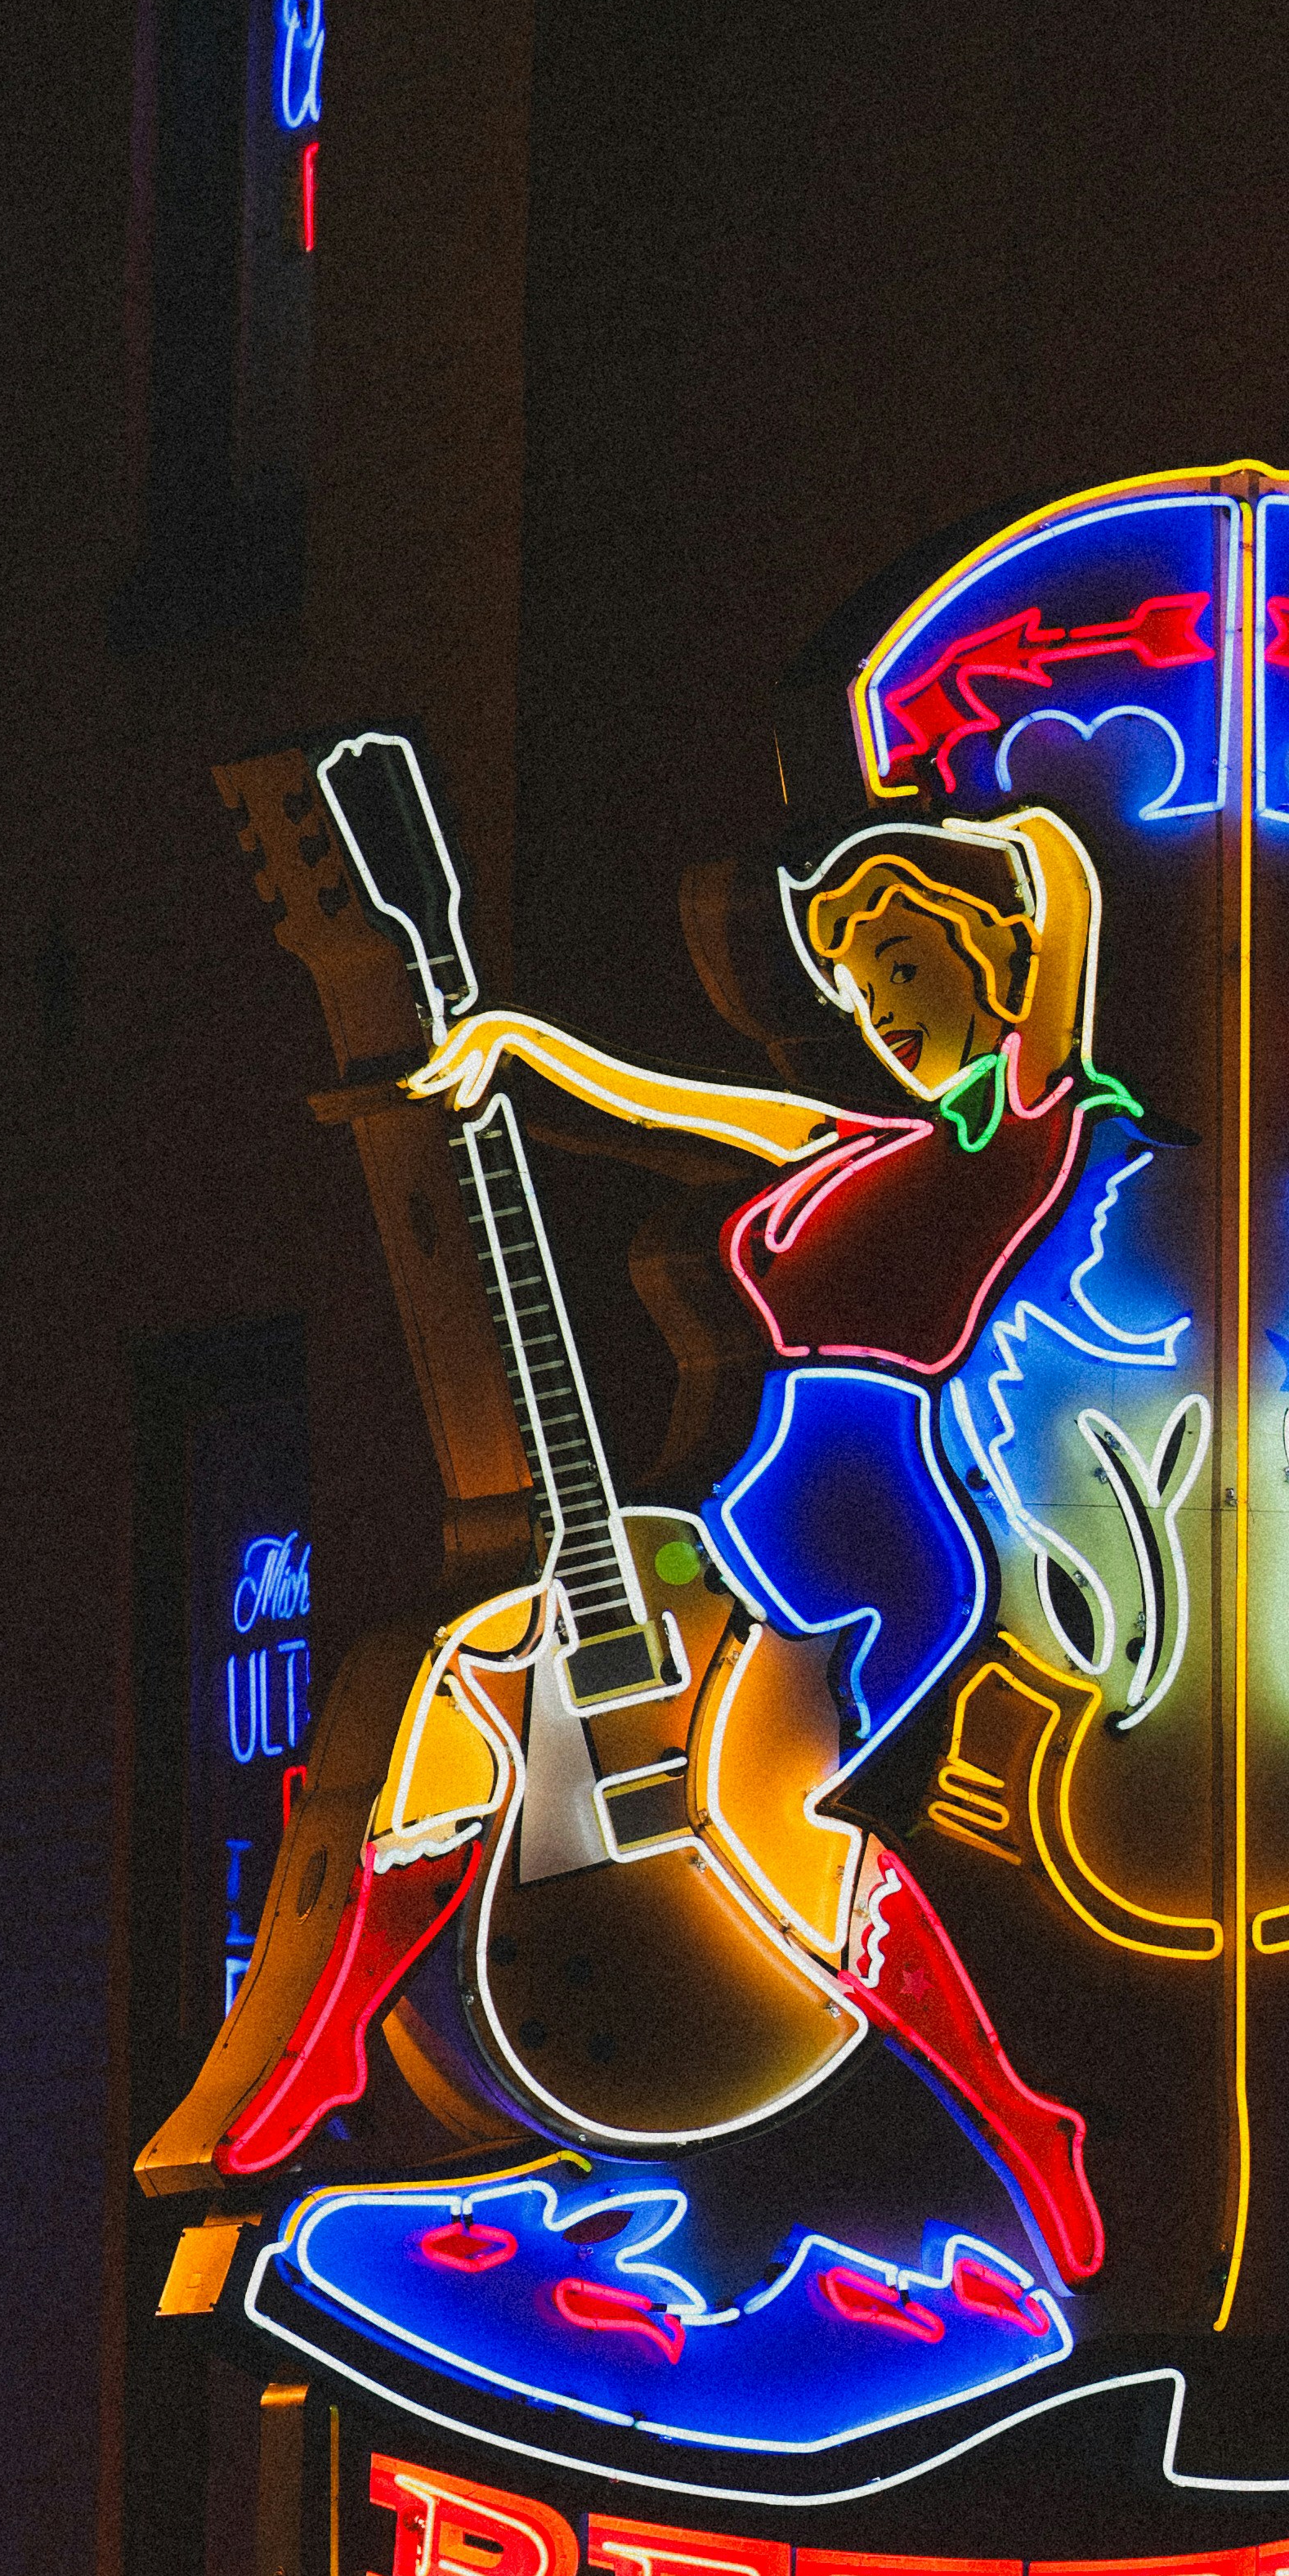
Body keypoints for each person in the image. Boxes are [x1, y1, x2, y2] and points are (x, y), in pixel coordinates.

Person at [200, 805, 1135, 2294]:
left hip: (877, 1530)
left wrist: (1009, 827)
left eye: (905, 966)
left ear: (992, 956)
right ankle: (320, 2050)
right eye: (861, 992)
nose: (886, 1013)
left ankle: (1023, 2128)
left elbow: (1074, 908)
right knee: (476, 1667)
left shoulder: (1022, 1123)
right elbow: (673, 1106)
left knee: (760, 1813)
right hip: (749, 1513)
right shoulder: (846, 1143)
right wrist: (515, 1044)